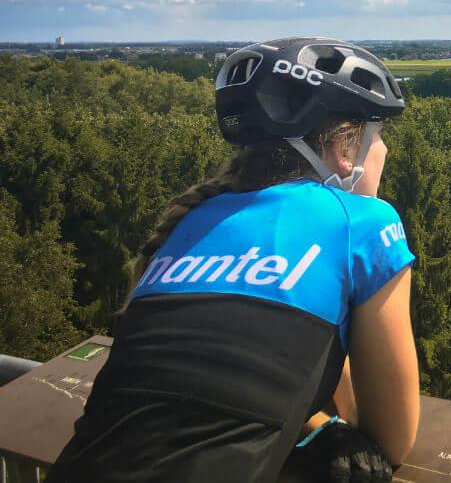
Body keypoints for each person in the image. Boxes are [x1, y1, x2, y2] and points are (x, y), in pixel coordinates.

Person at [48, 37, 420, 483]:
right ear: (346, 149)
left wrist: (315, 421)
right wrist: (335, 427)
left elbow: (212, 379)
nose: (385, 152)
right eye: (378, 136)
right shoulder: (363, 223)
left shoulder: (193, 223)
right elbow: (393, 439)